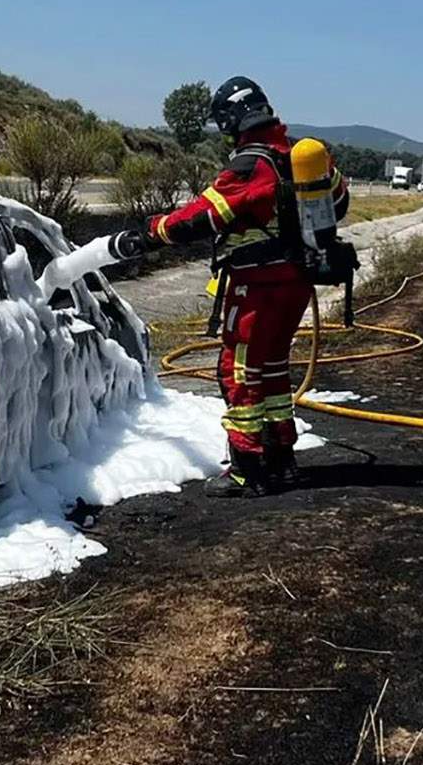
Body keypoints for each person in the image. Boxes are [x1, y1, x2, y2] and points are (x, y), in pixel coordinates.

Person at [145, 76, 349, 496]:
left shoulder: (250, 165)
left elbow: (203, 216)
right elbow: (341, 202)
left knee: (237, 372)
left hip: (257, 286)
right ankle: (282, 458)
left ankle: (246, 469)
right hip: (296, 283)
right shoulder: (300, 156)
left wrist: (154, 231)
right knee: (272, 367)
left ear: (232, 121)